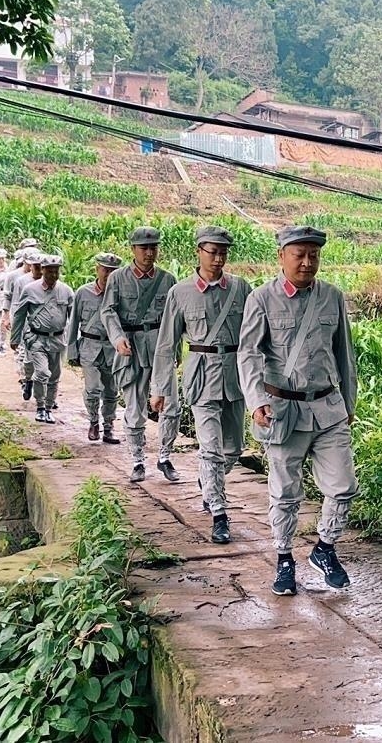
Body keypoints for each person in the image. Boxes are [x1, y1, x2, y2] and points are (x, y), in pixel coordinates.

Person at [238, 225, 358, 596]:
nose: (307, 263)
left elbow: (345, 355)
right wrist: (256, 400)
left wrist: (348, 404)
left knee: (343, 487)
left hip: (327, 409)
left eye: (313, 255)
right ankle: (284, 557)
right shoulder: (261, 299)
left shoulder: (332, 297)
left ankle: (324, 548)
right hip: (282, 412)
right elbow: (249, 353)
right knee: (286, 493)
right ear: (282, 256)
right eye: (299, 255)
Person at [152, 226, 251, 545]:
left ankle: (208, 482)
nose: (219, 258)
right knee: (210, 448)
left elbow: (254, 339)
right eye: (213, 252)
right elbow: (166, 345)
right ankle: (220, 514)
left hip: (235, 377)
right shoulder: (180, 293)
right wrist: (161, 388)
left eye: (223, 252)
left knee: (233, 449)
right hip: (200, 376)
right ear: (199, 251)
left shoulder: (241, 289)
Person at [100, 226, 178, 483]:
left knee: (171, 406)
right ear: (133, 249)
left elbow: (174, 320)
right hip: (131, 349)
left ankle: (165, 457)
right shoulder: (118, 279)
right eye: (144, 247)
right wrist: (118, 338)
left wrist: (176, 351)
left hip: (160, 348)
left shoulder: (167, 280)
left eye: (153, 247)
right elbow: (108, 311)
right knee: (134, 408)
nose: (149, 252)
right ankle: (137, 460)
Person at [10, 253, 74, 424]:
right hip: (37, 339)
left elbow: (73, 318)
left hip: (58, 340)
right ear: (43, 270)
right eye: (50, 271)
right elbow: (20, 315)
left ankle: (48, 408)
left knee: (54, 376)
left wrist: (75, 343)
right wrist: (15, 338)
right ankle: (39, 406)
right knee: (42, 373)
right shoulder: (30, 289)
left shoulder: (66, 290)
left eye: (56, 271)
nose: (53, 275)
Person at [68, 252, 124, 445]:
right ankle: (93, 421)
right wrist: (72, 351)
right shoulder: (83, 292)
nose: (108, 274)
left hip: (112, 348)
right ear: (97, 269)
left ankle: (108, 426)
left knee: (111, 391)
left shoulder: (121, 294)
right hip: (89, 347)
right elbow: (73, 323)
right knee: (92, 388)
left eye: (113, 271)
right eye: (105, 270)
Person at [8, 244, 43, 400]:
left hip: (44, 325)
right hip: (27, 324)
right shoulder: (21, 281)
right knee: (26, 355)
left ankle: (46, 394)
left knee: (45, 360)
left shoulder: (49, 280)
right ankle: (27, 380)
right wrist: (16, 327)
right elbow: (17, 304)